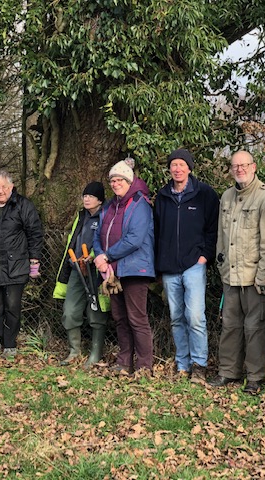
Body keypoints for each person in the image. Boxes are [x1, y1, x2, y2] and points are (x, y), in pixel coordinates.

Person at [209, 151, 265, 395]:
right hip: (231, 276)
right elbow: (221, 237)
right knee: (230, 325)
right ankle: (228, 371)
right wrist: (221, 266)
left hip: (254, 278)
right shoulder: (227, 196)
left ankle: (255, 377)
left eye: (244, 165)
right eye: (234, 166)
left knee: (254, 328)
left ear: (254, 166)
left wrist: (264, 276)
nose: (239, 169)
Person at [154, 148, 219, 384]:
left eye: (182, 164)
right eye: (173, 165)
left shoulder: (205, 194)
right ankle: (182, 363)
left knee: (195, 317)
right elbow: (157, 231)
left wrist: (204, 257)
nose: (177, 169)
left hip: (194, 265)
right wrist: (159, 264)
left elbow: (213, 229)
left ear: (190, 168)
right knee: (176, 317)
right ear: (169, 169)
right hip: (170, 267)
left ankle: (199, 365)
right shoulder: (162, 197)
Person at [93, 157, 155, 377]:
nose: (115, 183)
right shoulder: (110, 205)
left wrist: (107, 255)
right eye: (112, 180)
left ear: (129, 181)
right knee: (119, 317)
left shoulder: (140, 203)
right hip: (112, 271)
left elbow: (135, 239)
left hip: (135, 269)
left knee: (137, 318)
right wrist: (99, 255)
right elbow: (97, 233)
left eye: (119, 179)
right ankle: (124, 362)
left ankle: (144, 366)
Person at [0, 170, 43, 358]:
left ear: (11, 187)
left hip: (16, 267)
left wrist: (34, 260)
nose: (0, 190)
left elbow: (35, 233)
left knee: (12, 307)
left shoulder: (23, 206)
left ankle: (10, 343)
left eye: (4, 187)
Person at [53, 181, 110, 368]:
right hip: (77, 270)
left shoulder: (106, 216)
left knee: (96, 313)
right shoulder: (81, 217)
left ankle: (95, 354)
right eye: (85, 195)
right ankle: (74, 351)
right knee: (69, 311)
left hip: (97, 272)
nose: (86, 199)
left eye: (91, 196)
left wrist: (93, 257)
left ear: (100, 200)